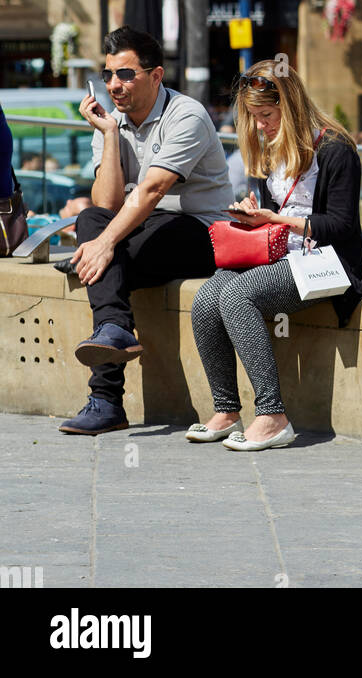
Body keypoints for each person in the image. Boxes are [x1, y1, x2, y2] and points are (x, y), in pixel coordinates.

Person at [59, 27, 234, 435]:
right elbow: (107, 205)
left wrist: (103, 244)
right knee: (89, 220)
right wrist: (107, 136)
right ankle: (114, 334)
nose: (114, 86)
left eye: (125, 74)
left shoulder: (186, 115)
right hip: (146, 228)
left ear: (156, 76)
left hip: (200, 231)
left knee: (105, 257)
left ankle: (105, 399)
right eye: (108, 76)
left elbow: (153, 191)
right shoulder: (112, 123)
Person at [188, 60, 362, 450]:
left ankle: (272, 415)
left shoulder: (336, 151)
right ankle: (227, 408)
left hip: (325, 261)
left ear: (290, 107)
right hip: (276, 253)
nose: (259, 126)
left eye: (266, 115)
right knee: (205, 301)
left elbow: (341, 227)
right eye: (253, 117)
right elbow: (271, 215)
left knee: (237, 296)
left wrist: (279, 219)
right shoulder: (268, 149)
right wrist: (256, 214)